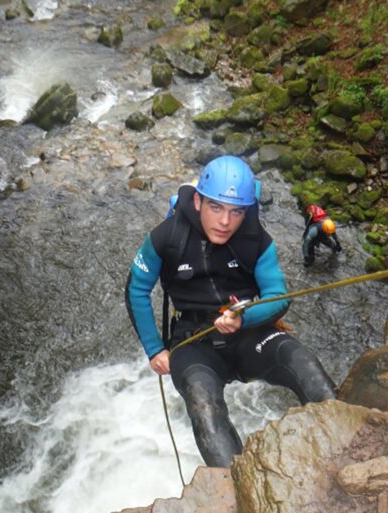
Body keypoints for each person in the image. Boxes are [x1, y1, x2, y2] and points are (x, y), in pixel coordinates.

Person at [125, 155, 336, 467]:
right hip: (194, 341)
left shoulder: (256, 240)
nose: (225, 221)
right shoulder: (167, 237)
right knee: (203, 405)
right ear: (198, 201)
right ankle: (238, 489)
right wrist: (155, 348)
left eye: (236, 211)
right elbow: (136, 289)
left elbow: (279, 296)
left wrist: (244, 316)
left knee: (304, 365)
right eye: (216, 208)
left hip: (252, 333)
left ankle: (340, 450)